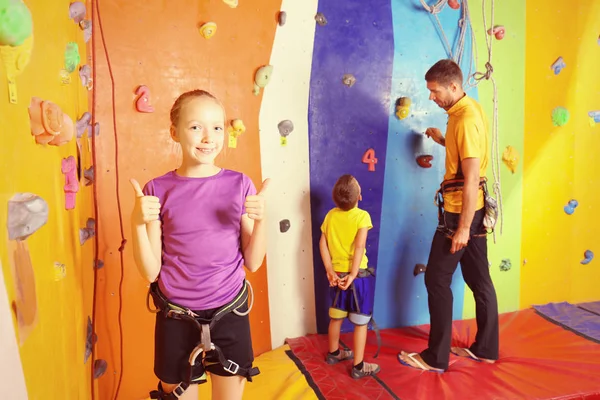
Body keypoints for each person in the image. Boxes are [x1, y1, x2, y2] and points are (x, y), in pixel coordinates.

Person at [129, 89, 270, 399]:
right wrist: (137, 223)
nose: (209, 138)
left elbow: (254, 261)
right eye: (196, 127)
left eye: (217, 127)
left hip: (229, 313)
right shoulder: (157, 189)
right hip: (176, 317)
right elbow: (151, 272)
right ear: (174, 132)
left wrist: (262, 220)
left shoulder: (240, 184)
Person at [398, 59, 499, 372]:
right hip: (474, 208)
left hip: (460, 213)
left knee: (437, 279)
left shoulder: (465, 119)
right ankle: (486, 349)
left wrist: (463, 228)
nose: (432, 97)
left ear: (453, 86)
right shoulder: (465, 111)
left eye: (435, 91)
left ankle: (435, 357)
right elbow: (470, 155)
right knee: (479, 279)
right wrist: (444, 141)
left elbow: (470, 179)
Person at [319, 174, 380, 379]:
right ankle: (359, 366)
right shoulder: (362, 216)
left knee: (336, 318)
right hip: (357, 278)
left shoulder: (330, 216)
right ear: (359, 197)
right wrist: (353, 274)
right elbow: (360, 247)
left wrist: (329, 270)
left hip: (335, 276)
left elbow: (323, 244)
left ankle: (334, 353)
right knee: (360, 323)